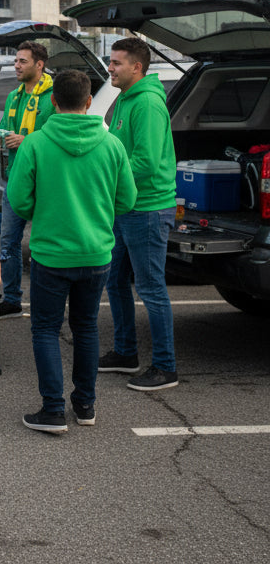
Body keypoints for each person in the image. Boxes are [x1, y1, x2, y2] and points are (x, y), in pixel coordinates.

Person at [6, 70, 137, 433]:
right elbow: (127, 200)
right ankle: (85, 405)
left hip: (51, 253)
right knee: (86, 327)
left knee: (46, 329)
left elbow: (17, 199)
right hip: (96, 253)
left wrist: (45, 214)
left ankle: (52, 410)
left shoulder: (35, 144)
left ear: (53, 101)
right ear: (89, 102)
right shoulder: (112, 145)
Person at [99, 37, 180, 391]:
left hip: (146, 208)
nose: (110, 68)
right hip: (124, 207)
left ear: (138, 67)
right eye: (111, 62)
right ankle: (125, 352)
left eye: (117, 63)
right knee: (114, 281)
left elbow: (144, 162)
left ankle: (165, 368)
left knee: (151, 288)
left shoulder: (146, 103)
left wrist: (108, 181)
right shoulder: (124, 99)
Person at [0, 41, 55, 318]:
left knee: (42, 242)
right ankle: (12, 299)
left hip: (44, 181)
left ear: (39, 65)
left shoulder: (53, 96)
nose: (16, 66)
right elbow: (6, 128)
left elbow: (57, 137)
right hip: (14, 178)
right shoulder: (14, 95)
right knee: (9, 242)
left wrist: (25, 141)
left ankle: (45, 301)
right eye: (16, 61)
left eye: (22, 61)